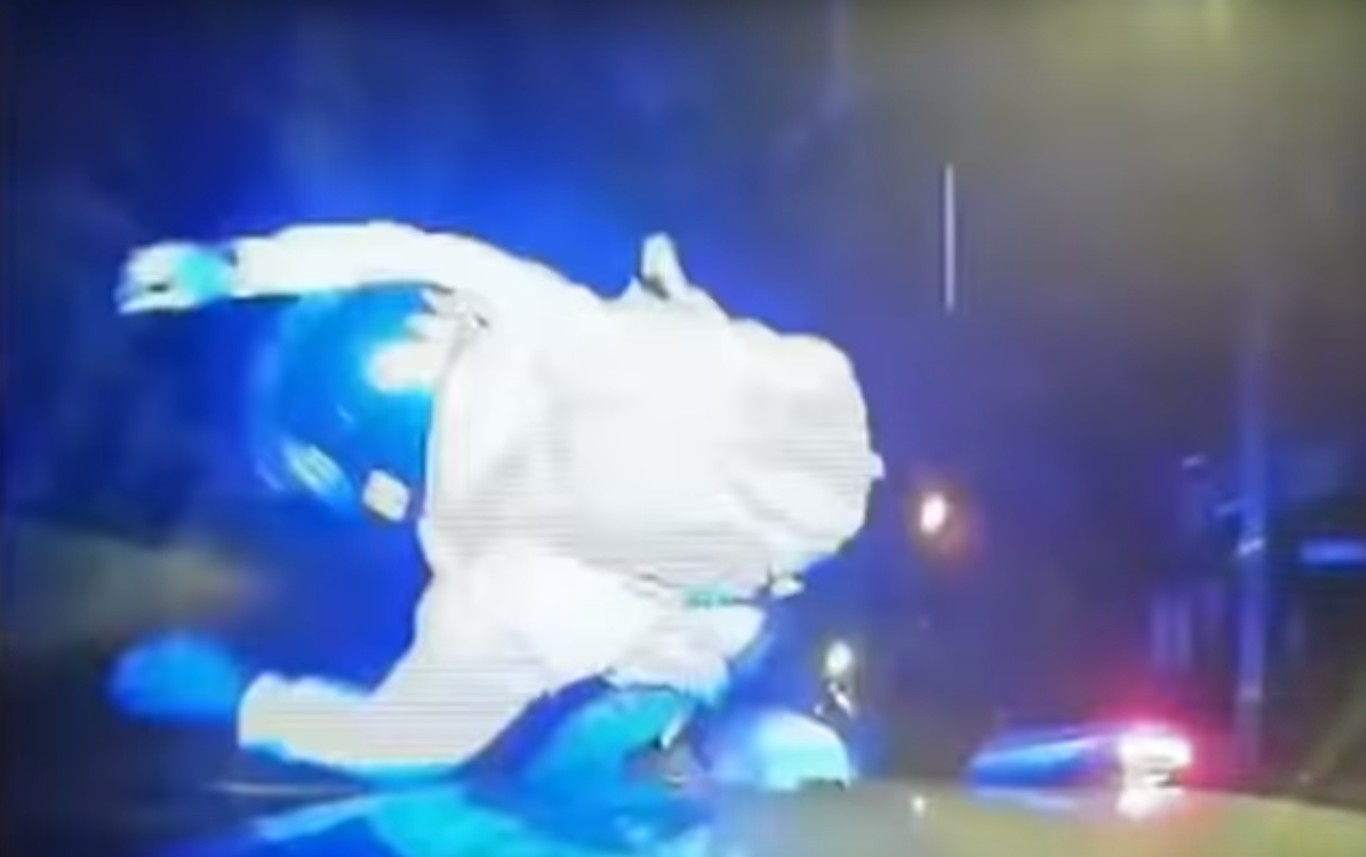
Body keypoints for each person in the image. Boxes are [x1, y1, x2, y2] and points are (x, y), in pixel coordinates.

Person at [115, 222, 882, 780]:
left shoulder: (496, 590)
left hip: (730, 638)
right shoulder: (527, 312)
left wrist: (242, 701)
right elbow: (402, 250)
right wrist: (235, 266)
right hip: (811, 471)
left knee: (567, 781)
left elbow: (404, 740)